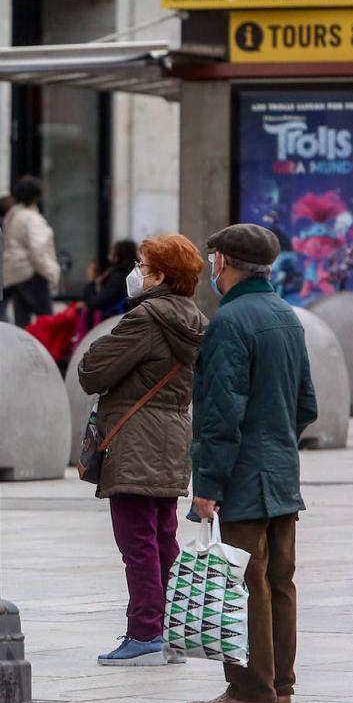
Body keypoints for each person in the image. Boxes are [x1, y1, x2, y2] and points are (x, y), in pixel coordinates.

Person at [188, 224, 317, 703]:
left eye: (213, 258)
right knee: (279, 580)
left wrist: (208, 484)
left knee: (247, 580)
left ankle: (250, 690)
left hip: (243, 472)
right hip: (282, 471)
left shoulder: (229, 321)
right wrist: (278, 441)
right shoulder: (287, 316)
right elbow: (306, 403)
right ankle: (281, 687)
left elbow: (221, 412)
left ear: (223, 263)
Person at [78, 234, 208, 666]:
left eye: (144, 266)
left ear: (161, 276)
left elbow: (92, 371)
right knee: (162, 537)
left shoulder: (146, 319)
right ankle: (168, 631)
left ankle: (145, 633)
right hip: (171, 436)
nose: (136, 273)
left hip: (136, 439)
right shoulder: (192, 317)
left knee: (137, 540)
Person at [1, 178, 60, 326]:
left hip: (15, 275)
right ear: (37, 196)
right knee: (48, 323)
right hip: (32, 274)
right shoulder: (32, 218)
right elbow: (38, 250)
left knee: (22, 324)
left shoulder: (12, 215)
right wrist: (51, 272)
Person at [84, 239, 139, 319]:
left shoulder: (119, 277)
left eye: (111, 253)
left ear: (117, 257)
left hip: (113, 320)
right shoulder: (132, 273)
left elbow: (97, 303)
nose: (108, 257)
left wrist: (91, 281)